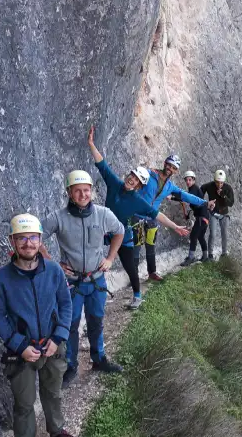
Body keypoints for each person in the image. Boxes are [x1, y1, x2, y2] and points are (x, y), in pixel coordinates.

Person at [0, 213, 81, 437]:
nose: (28, 243)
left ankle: (57, 431)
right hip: (22, 351)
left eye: (33, 238)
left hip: (52, 345)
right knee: (24, 404)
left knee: (53, 393)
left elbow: (65, 304)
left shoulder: (53, 271)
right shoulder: (1, 279)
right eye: (22, 238)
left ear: (41, 241)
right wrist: (18, 344)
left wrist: (59, 336)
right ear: (12, 242)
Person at [86, 127, 189, 309]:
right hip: (104, 231)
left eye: (136, 179)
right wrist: (91, 144)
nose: (131, 179)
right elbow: (102, 165)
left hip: (123, 237)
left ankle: (137, 295)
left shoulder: (138, 201)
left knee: (130, 267)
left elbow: (158, 215)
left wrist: (175, 227)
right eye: (131, 176)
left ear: (140, 185)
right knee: (87, 247)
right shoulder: (115, 184)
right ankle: (89, 286)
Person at [40, 170, 125, 389]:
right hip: (72, 283)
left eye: (86, 190)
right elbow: (36, 235)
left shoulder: (103, 214)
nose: (82, 195)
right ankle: (71, 365)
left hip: (96, 281)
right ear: (69, 192)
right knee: (70, 325)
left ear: (92, 192)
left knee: (96, 320)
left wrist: (110, 258)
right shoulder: (58, 217)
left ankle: (99, 359)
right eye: (77, 191)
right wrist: (52, 262)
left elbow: (120, 231)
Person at [136, 153, 208, 280]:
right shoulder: (149, 174)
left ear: (176, 171)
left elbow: (186, 196)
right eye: (169, 165)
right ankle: (133, 275)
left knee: (150, 245)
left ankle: (152, 273)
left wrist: (204, 202)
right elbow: (134, 182)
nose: (170, 168)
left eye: (174, 167)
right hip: (137, 216)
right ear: (165, 163)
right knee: (136, 246)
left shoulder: (169, 186)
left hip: (153, 218)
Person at [201, 169, 235, 260]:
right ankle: (210, 254)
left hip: (224, 214)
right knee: (212, 233)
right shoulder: (210, 186)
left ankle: (224, 253)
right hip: (213, 213)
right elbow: (201, 190)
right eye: (217, 182)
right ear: (214, 180)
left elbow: (231, 203)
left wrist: (223, 196)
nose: (219, 185)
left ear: (224, 182)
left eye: (221, 183)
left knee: (225, 234)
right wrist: (205, 203)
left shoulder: (228, 188)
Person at [180, 170, 211, 265]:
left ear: (193, 180)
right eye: (187, 180)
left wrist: (173, 197)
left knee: (193, 236)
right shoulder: (194, 189)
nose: (188, 182)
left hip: (202, 217)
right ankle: (205, 256)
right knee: (201, 236)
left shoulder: (194, 188)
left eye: (190, 180)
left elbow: (186, 197)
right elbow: (194, 203)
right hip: (204, 217)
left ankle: (191, 257)